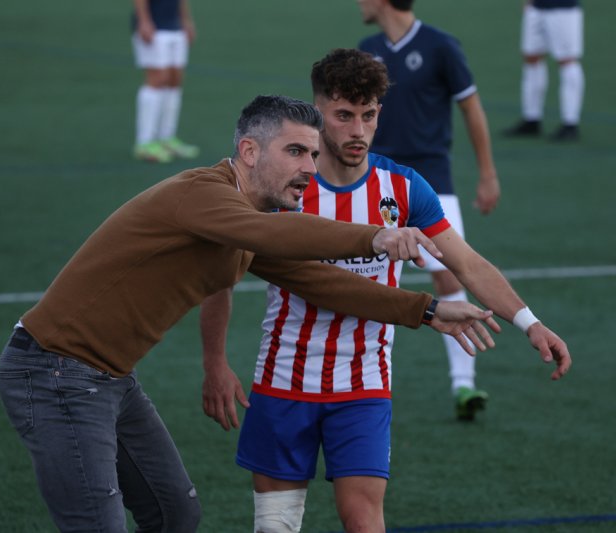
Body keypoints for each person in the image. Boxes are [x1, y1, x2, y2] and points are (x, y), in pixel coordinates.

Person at [0, 94, 502, 532]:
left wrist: (427, 309)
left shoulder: (245, 221)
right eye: (295, 151)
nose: (310, 165)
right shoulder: (204, 196)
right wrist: (375, 235)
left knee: (175, 515)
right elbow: (275, 235)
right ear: (249, 151)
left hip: (109, 379)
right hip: (54, 371)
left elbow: (317, 279)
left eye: (312, 151)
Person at [199, 49, 572, 533]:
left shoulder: (404, 187)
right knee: (275, 526)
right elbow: (220, 278)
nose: (357, 130)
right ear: (318, 114)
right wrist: (214, 364)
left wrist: (530, 322)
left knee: (364, 521)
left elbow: (467, 263)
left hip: (364, 387)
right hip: (282, 379)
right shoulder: (284, 190)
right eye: (343, 116)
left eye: (369, 115)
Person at [357, 0, 502, 420]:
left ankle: (464, 384)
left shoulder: (440, 45)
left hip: (433, 183)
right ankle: (363, 380)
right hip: (378, 182)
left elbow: (472, 109)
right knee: (366, 274)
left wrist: (487, 174)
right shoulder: (367, 48)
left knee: (448, 270)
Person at [503, 0, 585, 141]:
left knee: (567, 60)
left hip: (563, 8)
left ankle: (570, 123)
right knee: (531, 57)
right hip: (537, 7)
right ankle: (532, 118)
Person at [131, 0, 200, 163]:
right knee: (157, 79)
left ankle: (167, 138)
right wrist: (144, 21)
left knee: (175, 80)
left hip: (174, 26)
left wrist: (186, 21)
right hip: (155, 26)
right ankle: (144, 142)